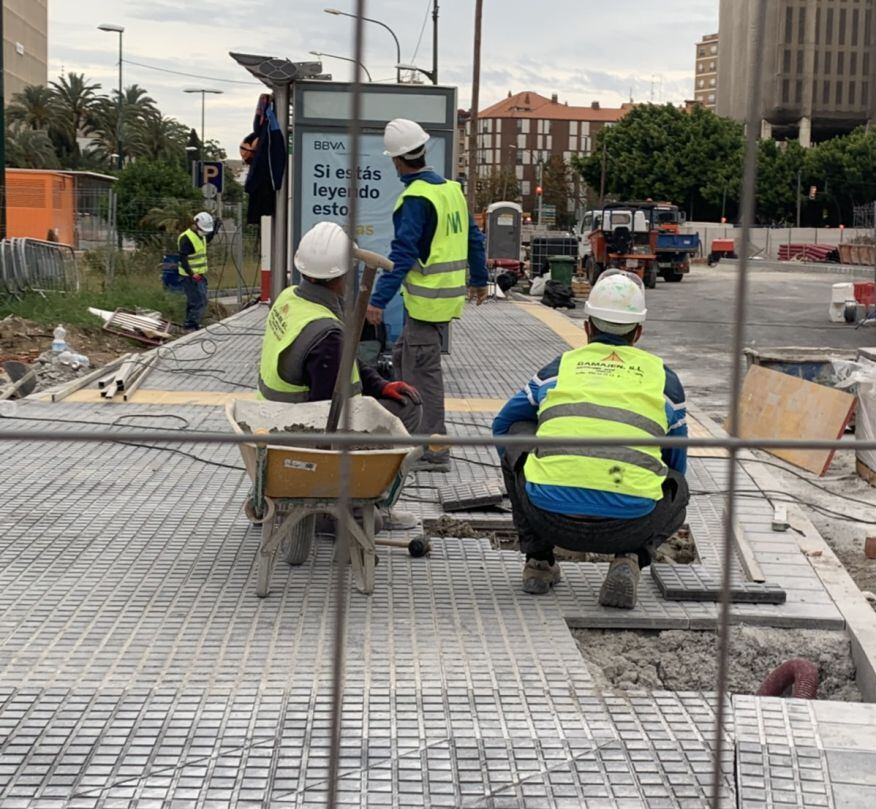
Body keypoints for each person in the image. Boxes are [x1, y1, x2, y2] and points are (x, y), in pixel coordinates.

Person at [492, 271, 691, 609]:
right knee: (678, 488)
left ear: (587, 328)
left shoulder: (559, 369)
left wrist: (534, 466)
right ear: (638, 332)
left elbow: (501, 426)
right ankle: (629, 558)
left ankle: (538, 562)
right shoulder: (665, 381)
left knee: (517, 435)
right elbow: (676, 465)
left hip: (547, 515)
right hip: (631, 522)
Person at [366, 118, 488, 472]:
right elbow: (474, 239)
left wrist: (377, 300)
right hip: (441, 299)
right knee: (406, 359)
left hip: (426, 301)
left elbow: (403, 254)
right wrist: (480, 281)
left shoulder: (416, 198)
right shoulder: (451, 189)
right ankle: (409, 434)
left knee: (424, 377)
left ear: (397, 160)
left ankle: (434, 449)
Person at [257, 221, 422, 434]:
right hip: (303, 432)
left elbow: (345, 361)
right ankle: (375, 465)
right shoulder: (327, 336)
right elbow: (327, 415)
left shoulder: (288, 298)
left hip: (271, 416)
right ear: (344, 273)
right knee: (409, 407)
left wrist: (380, 385)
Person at [177, 211, 220, 332]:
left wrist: (216, 227)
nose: (205, 232)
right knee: (199, 300)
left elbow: (208, 239)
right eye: (203, 229)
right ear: (195, 224)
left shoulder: (200, 236)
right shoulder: (186, 238)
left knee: (196, 300)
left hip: (199, 275)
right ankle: (190, 325)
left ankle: (192, 323)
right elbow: (183, 258)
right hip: (189, 277)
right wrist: (192, 274)